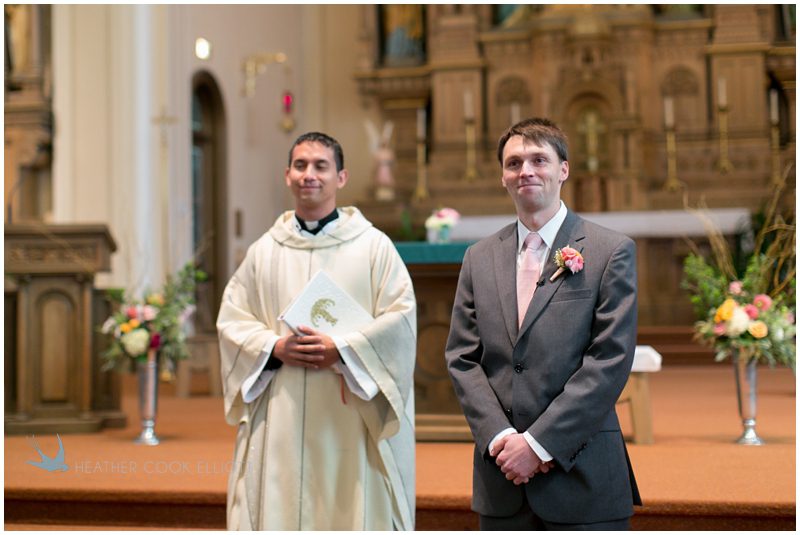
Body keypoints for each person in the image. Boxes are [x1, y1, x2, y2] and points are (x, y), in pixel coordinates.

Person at [445, 118, 641, 530]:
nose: (526, 171)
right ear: (503, 176)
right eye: (514, 163)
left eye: (539, 159)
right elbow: (463, 358)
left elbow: (610, 359)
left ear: (563, 169)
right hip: (502, 480)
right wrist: (501, 439)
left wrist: (537, 445)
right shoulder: (478, 258)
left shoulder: (610, 251)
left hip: (581, 475)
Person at [217, 132, 416, 530]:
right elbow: (232, 320)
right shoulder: (264, 251)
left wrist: (343, 348)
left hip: (349, 409)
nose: (310, 175)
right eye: (301, 165)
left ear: (341, 177)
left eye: (321, 166)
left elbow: (402, 321)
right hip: (282, 406)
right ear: (287, 175)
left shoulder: (373, 247)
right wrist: (275, 346)